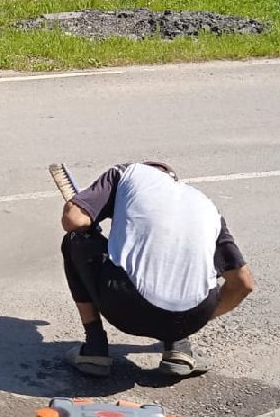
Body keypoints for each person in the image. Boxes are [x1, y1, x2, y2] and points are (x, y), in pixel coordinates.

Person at [61, 160, 254, 378]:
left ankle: (94, 348)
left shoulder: (126, 173)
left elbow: (74, 219)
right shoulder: (207, 207)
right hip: (191, 318)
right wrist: (192, 320)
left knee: (76, 239)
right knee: (183, 261)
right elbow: (243, 283)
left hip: (126, 308)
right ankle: (179, 346)